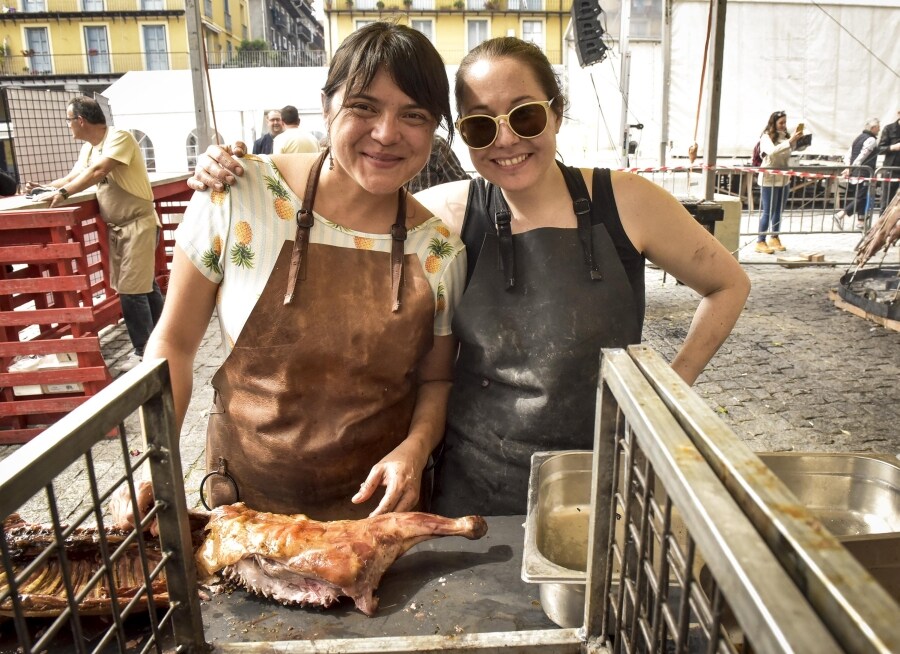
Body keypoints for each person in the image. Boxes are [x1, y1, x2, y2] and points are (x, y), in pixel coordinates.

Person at [189, 37, 749, 518]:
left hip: (599, 472)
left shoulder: (625, 201)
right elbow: (356, 206)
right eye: (481, 126)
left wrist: (665, 393)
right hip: (472, 482)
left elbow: (728, 285)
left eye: (525, 116)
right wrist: (236, 173)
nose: (505, 140)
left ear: (556, 112)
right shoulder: (451, 214)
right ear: (460, 135)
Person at [114, 22, 464, 529]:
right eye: (364, 107)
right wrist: (152, 460)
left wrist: (414, 449)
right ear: (327, 107)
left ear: (433, 129)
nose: (387, 134)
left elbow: (436, 378)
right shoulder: (238, 195)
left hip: (375, 516)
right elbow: (175, 342)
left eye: (413, 115)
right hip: (243, 508)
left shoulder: (438, 249)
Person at [25, 97, 163, 360]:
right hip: (119, 228)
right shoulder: (89, 148)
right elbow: (73, 177)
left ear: (81, 120)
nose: (68, 126)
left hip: (138, 224)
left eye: (69, 121)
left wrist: (64, 193)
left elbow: (100, 170)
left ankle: (145, 350)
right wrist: (44, 189)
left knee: (131, 291)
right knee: (144, 286)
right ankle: (164, 337)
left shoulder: (118, 137)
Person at [754, 111, 803, 254]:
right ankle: (760, 241)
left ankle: (774, 237)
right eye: (781, 123)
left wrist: (798, 141)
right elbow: (772, 152)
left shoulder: (786, 137)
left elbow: (788, 151)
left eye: (785, 122)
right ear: (773, 123)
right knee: (768, 211)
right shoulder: (766, 137)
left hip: (783, 178)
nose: (783, 125)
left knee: (778, 210)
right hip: (769, 178)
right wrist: (790, 141)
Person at [835, 118, 880, 230]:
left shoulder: (858, 138)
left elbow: (849, 153)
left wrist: (848, 167)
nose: (879, 129)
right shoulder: (871, 140)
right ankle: (840, 214)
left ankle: (861, 221)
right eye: (878, 127)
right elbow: (862, 156)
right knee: (861, 197)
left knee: (863, 197)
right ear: (873, 128)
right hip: (864, 171)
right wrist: (851, 168)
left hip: (857, 171)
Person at [877, 108, 900, 206]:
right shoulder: (889, 129)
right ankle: (883, 221)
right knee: (887, 201)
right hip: (891, 170)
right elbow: (880, 149)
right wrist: (892, 147)